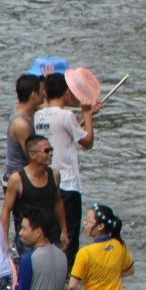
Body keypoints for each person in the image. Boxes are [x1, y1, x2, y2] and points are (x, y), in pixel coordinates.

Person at [33, 71, 95, 266]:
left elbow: (63, 130)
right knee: (70, 237)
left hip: (47, 183)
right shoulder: (67, 115)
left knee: (51, 236)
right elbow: (87, 141)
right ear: (66, 93)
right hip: (68, 185)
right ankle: (68, 277)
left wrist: (87, 117)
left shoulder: (38, 115)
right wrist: (86, 112)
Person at [1, 135, 68, 259]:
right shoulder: (17, 179)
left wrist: (64, 230)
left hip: (52, 236)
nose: (51, 154)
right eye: (46, 151)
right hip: (28, 239)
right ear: (32, 155)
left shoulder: (54, 175)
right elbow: (6, 211)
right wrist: (4, 241)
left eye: (51, 150)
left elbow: (58, 202)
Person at [2, 74, 44, 189]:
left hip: (22, 176)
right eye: (42, 90)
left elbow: (55, 104)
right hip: (18, 181)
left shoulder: (25, 108)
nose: (44, 93)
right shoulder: (22, 124)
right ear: (33, 95)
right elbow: (32, 156)